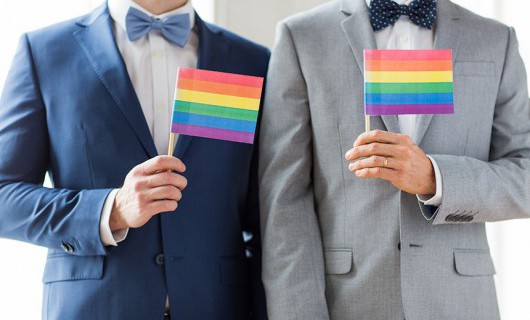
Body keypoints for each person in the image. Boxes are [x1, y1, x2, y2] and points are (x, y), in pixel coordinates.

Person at [259, 0, 530, 319]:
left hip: (460, 303)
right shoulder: (301, 36)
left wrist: (435, 178)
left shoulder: (495, 38)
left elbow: (524, 174)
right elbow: (285, 199)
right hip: (347, 303)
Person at [0, 0, 269, 319]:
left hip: (219, 307)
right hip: (95, 309)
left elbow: (266, 215)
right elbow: (5, 197)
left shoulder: (247, 61)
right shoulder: (45, 52)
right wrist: (110, 210)